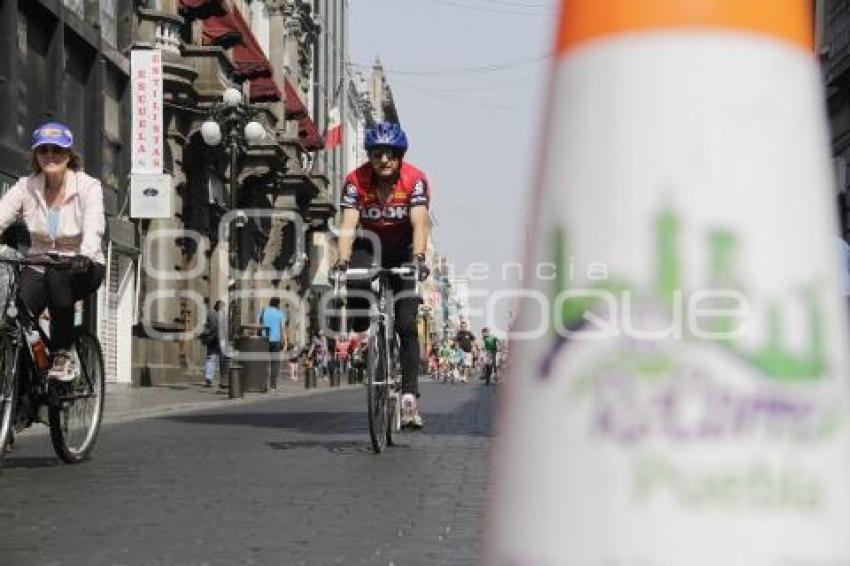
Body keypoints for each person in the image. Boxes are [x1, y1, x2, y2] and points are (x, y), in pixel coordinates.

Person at [331, 122, 431, 429]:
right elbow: (348, 223)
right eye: (376, 154)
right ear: (370, 157)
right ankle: (365, 327)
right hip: (368, 243)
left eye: (389, 154)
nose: (383, 160)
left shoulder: (415, 179)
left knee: (406, 324)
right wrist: (342, 260)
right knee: (356, 279)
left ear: (399, 156)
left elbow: (419, 222)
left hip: (404, 248)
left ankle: (409, 399)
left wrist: (419, 259)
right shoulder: (355, 181)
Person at [0, 122, 105, 381]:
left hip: (81, 264)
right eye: (43, 150)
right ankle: (23, 385)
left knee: (58, 277)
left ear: (68, 155)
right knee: (17, 311)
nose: (50, 155)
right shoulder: (26, 186)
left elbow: (94, 225)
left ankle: (62, 353)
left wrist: (86, 254)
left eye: (57, 150)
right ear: (36, 155)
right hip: (40, 262)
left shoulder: (88, 186)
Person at [258, 298, 288, 388]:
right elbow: (283, 329)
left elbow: (257, 325)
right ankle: (273, 385)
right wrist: (286, 343)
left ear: (270, 303)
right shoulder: (280, 314)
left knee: (263, 362)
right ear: (278, 304)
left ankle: (263, 383)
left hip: (264, 340)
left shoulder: (263, 312)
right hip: (275, 341)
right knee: (275, 363)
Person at [202, 300, 225, 387]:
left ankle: (209, 377)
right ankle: (223, 378)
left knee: (210, 358)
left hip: (211, 338)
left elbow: (207, 325)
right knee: (222, 360)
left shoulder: (210, 314)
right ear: (221, 307)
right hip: (220, 339)